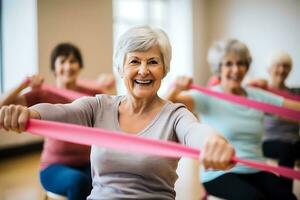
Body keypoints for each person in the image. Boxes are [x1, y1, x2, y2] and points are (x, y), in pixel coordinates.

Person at [0, 26, 236, 200]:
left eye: (153, 62)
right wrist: (28, 114)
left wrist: (214, 142)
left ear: (164, 70)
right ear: (121, 68)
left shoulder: (175, 115)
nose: (143, 70)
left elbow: (196, 131)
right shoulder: (99, 106)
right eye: (134, 61)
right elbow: (60, 111)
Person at [166, 39, 299, 199]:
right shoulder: (208, 97)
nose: (235, 69)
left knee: (288, 197)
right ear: (219, 68)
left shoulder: (257, 95)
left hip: (256, 168)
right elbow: (165, 106)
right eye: (229, 64)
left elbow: (294, 109)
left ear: (246, 67)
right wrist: (175, 88)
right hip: (219, 173)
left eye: (241, 63)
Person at [0, 43, 115, 200]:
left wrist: (109, 86)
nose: (68, 66)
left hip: (89, 163)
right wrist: (24, 83)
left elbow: (114, 111)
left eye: (73, 61)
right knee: (78, 182)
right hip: (54, 167)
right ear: (54, 68)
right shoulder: (42, 94)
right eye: (62, 61)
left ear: (79, 66)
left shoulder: (92, 93)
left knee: (111, 181)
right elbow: (2, 106)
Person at [248, 50, 300, 191]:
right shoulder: (261, 92)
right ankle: (285, 195)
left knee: (289, 147)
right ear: (268, 69)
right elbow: (242, 90)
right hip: (268, 142)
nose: (282, 70)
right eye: (278, 65)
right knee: (286, 149)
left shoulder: (296, 93)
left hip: (294, 141)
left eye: (285, 66)